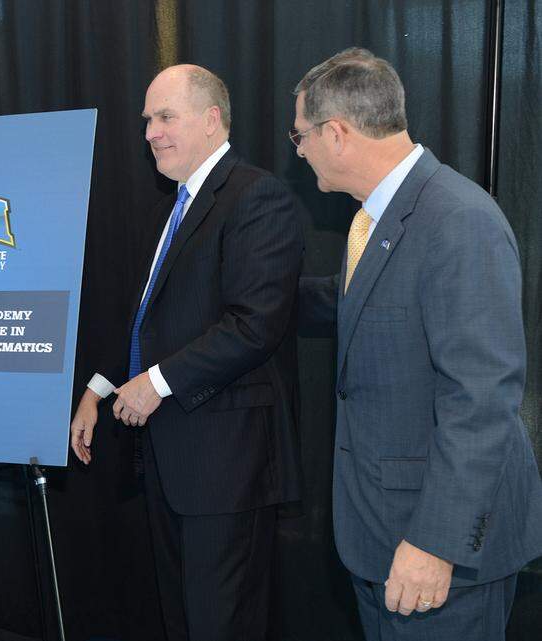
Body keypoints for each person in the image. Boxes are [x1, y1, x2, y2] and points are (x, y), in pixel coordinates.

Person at [293, 47, 542, 641]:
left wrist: (436, 540)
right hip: (377, 536)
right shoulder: (374, 220)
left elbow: (481, 400)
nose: (296, 151)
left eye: (300, 135)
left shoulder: (459, 221)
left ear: (338, 133)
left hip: (434, 556)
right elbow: (362, 303)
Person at [69, 64, 304, 641]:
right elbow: (147, 319)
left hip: (226, 468)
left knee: (221, 626)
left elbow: (253, 326)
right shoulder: (171, 208)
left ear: (212, 120)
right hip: (168, 464)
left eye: (165, 116)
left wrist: (158, 383)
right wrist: (100, 389)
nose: (150, 131)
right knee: (181, 622)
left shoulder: (257, 197)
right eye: (148, 119)